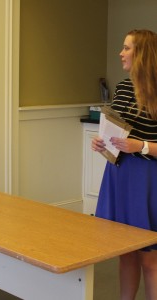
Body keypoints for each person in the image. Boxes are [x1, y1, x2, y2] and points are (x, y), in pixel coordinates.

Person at [92, 29, 157, 300]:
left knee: (150, 260)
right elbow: (116, 131)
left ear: (143, 54)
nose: (121, 53)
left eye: (127, 48)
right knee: (126, 254)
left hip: (147, 179)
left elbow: (138, 142)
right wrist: (101, 143)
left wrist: (140, 146)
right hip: (118, 173)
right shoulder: (122, 87)